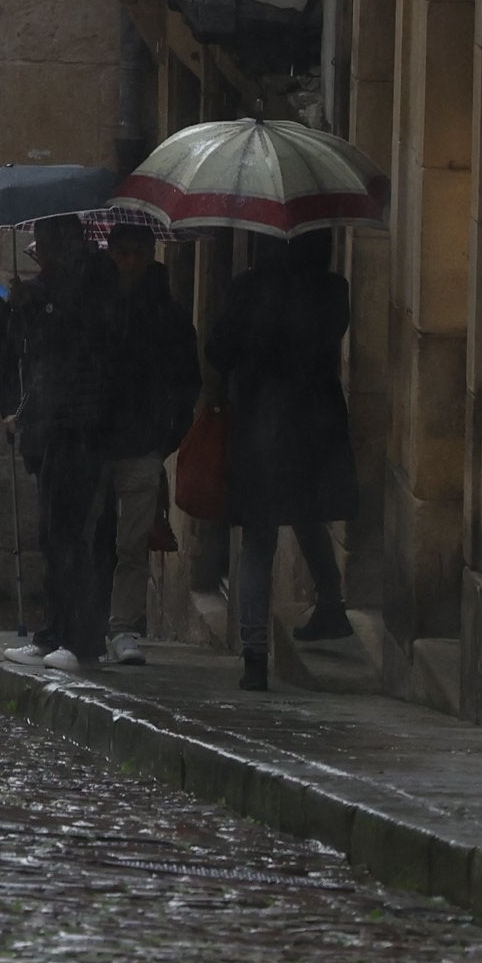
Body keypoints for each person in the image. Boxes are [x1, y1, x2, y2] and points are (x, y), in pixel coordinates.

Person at [212, 231, 356, 688]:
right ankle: (331, 602)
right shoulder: (332, 289)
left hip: (260, 426)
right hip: (314, 426)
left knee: (259, 539)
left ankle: (254, 653)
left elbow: (218, 352)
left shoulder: (247, 290)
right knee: (306, 514)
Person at [0, 213, 125, 667]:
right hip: (59, 425)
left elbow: (63, 351)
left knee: (71, 533)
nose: (37, 254)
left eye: (41, 245)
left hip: (81, 426)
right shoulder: (61, 288)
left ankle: (81, 641)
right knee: (53, 532)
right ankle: (55, 631)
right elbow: (36, 360)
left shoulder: (85, 286)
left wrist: (19, 306)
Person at [100, 216, 202, 665]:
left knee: (132, 542)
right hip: (94, 439)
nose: (130, 262)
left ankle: (124, 627)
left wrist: (165, 436)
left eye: (138, 253)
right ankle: (87, 619)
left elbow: (186, 379)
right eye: (122, 253)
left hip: (142, 442)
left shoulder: (167, 313)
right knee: (91, 536)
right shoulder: (95, 308)